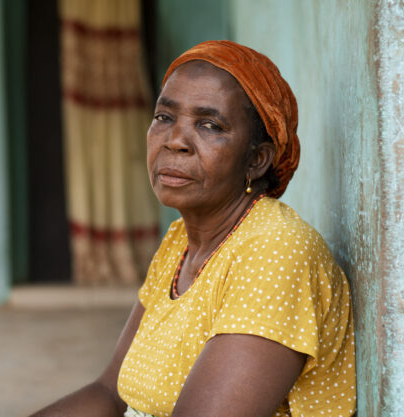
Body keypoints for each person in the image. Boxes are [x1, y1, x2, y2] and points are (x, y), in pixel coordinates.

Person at [29, 40, 356, 417]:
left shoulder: (276, 251)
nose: (175, 141)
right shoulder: (180, 241)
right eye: (164, 117)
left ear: (257, 160)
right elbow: (109, 393)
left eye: (209, 125)